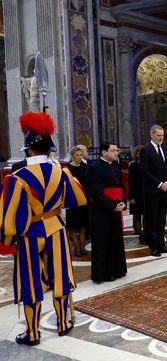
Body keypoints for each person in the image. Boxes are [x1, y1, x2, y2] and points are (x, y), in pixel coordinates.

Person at [0, 112, 86, 345]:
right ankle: (63, 323)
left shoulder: (17, 178)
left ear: (27, 150)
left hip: (30, 232)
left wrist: (8, 240)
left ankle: (32, 332)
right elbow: (77, 198)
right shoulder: (63, 171)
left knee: (30, 280)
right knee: (60, 275)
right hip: (56, 227)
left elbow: (10, 215)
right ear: (50, 151)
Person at [86, 141, 127, 283]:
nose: (117, 153)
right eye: (114, 150)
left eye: (117, 150)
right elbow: (96, 191)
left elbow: (121, 186)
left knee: (116, 240)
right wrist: (112, 206)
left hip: (116, 208)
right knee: (103, 241)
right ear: (104, 152)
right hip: (102, 210)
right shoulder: (94, 168)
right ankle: (104, 274)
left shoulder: (115, 166)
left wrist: (123, 202)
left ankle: (118, 270)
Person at [139, 125, 167, 257]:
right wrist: (159, 183)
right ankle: (153, 247)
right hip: (151, 191)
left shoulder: (166, 149)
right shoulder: (145, 150)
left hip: (164, 190)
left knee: (161, 218)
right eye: (158, 135)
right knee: (152, 219)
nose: (161, 138)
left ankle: (161, 244)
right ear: (152, 135)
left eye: (162, 135)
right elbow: (145, 171)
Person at [66, 146, 89, 257]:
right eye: (77, 155)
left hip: (84, 200)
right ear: (72, 156)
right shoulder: (67, 169)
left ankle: (83, 247)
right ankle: (77, 247)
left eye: (81, 155)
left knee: (83, 225)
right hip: (73, 201)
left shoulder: (85, 167)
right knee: (74, 226)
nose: (80, 157)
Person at [128, 145, 145, 245]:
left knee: (147, 216)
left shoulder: (148, 164)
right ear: (137, 154)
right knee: (137, 215)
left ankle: (146, 234)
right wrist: (131, 197)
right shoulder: (133, 166)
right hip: (136, 194)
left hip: (146, 194)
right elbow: (130, 182)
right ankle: (141, 235)